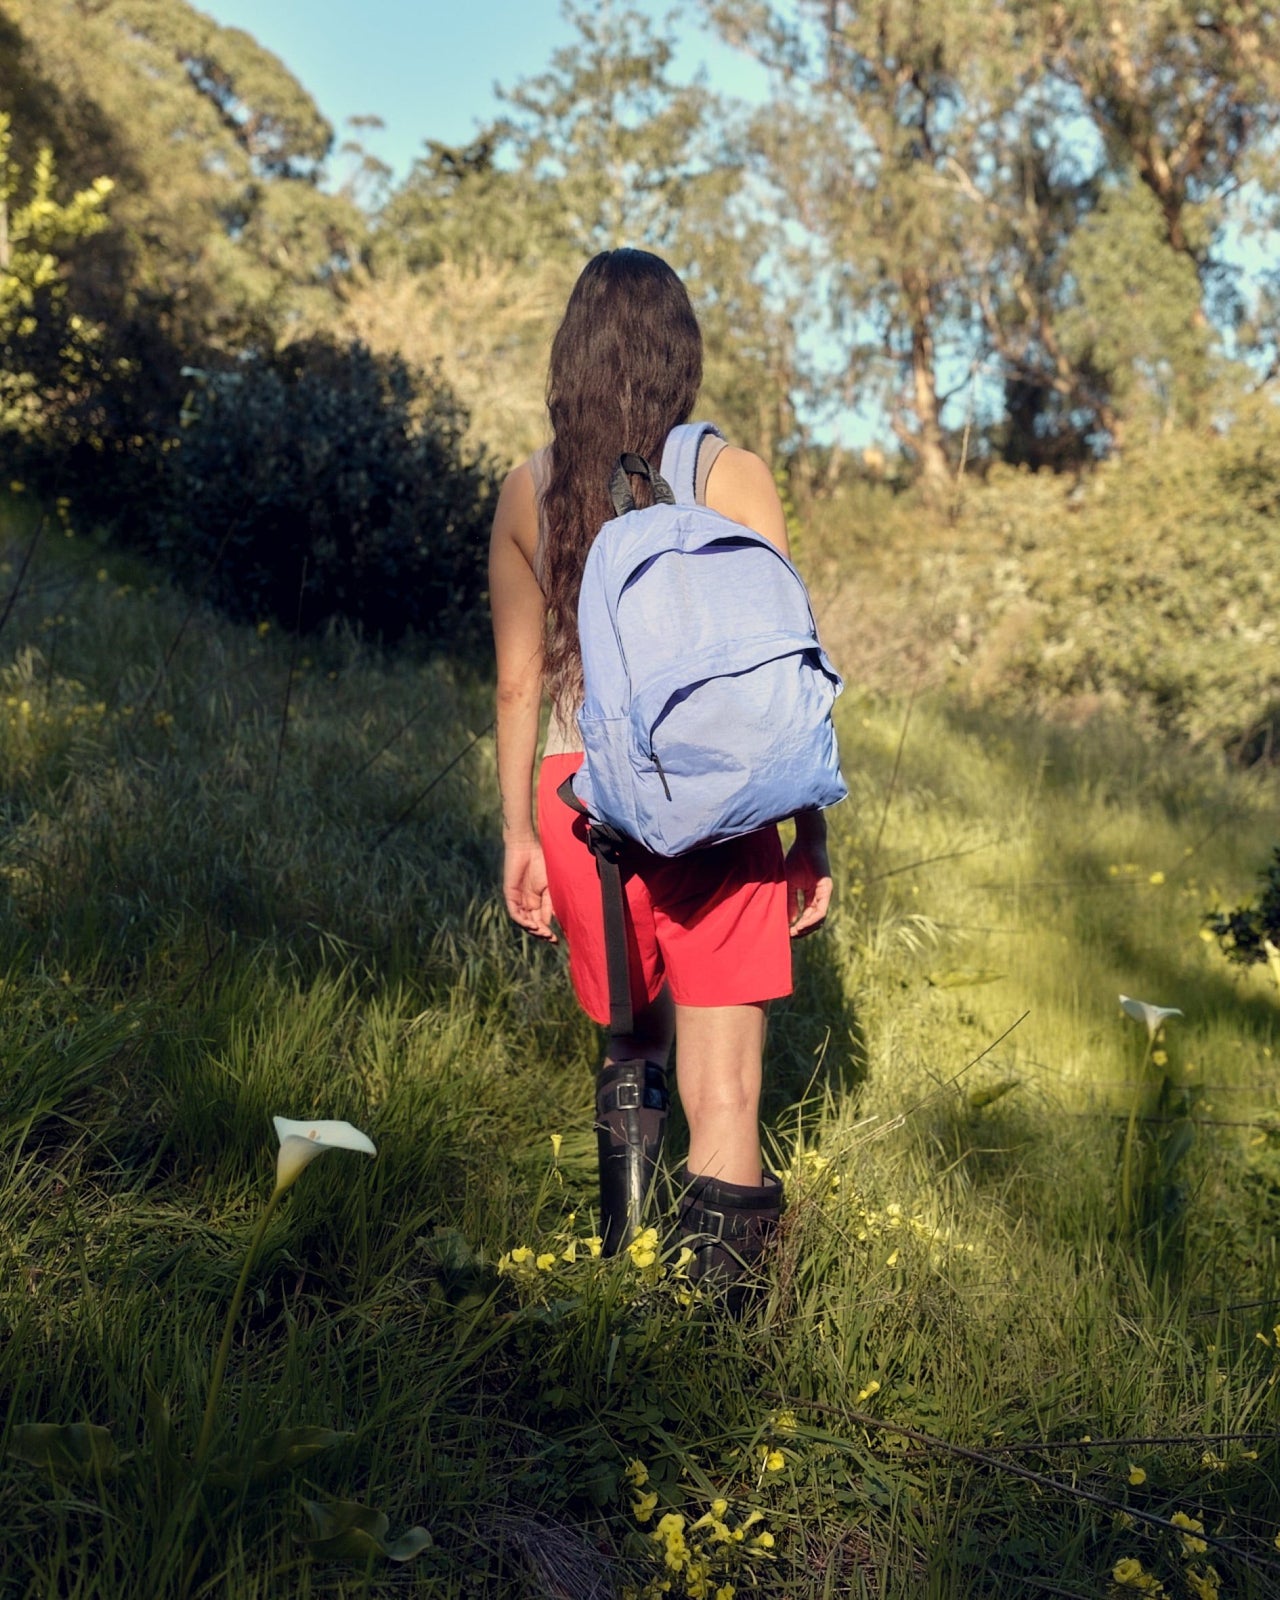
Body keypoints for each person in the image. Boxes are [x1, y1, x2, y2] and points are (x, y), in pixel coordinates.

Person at [488, 247, 834, 1297]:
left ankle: (620, 1280)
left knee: (628, 1038)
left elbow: (513, 684)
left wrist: (515, 833)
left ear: (570, 357)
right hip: (718, 793)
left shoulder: (526, 488)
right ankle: (712, 1336)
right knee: (724, 1084)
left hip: (575, 793)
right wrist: (810, 832)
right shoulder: (730, 473)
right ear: (679, 356)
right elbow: (785, 664)